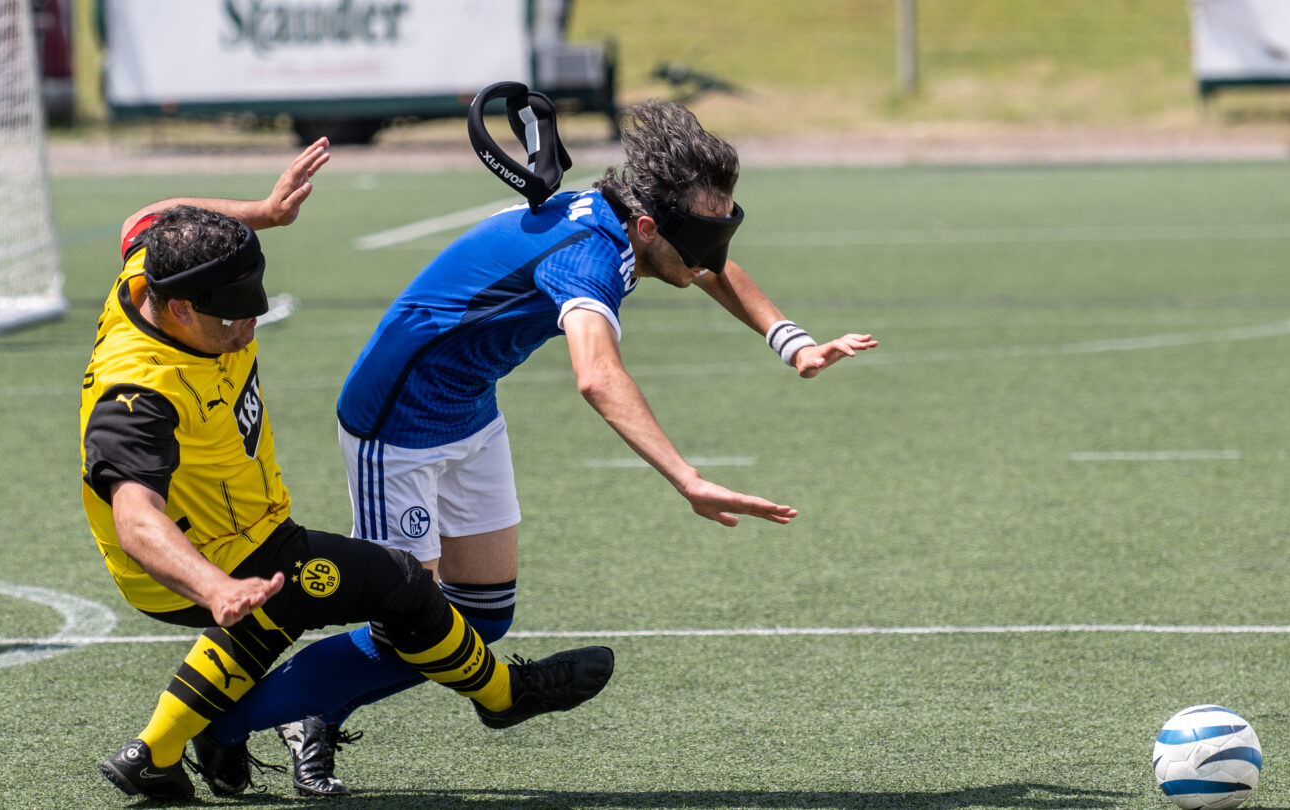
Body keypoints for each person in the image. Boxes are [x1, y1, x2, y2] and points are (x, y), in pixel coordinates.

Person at [204, 101, 877, 797]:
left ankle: (312, 708)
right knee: (412, 624)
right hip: (394, 424)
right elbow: (596, 374)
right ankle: (221, 721)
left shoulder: (626, 217)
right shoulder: (588, 258)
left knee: (483, 615)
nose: (712, 256)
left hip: (469, 412)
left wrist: (790, 342)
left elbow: (710, 265)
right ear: (647, 227)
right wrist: (688, 478)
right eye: (702, 240)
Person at [78, 137, 615, 801]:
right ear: (182, 308)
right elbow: (135, 520)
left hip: (244, 531)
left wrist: (263, 212)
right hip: (203, 559)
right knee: (400, 584)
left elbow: (154, 213)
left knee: (276, 614)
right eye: (234, 314)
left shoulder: (150, 267)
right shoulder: (137, 396)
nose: (251, 323)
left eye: (257, 303)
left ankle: (152, 754)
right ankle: (504, 695)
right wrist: (214, 587)